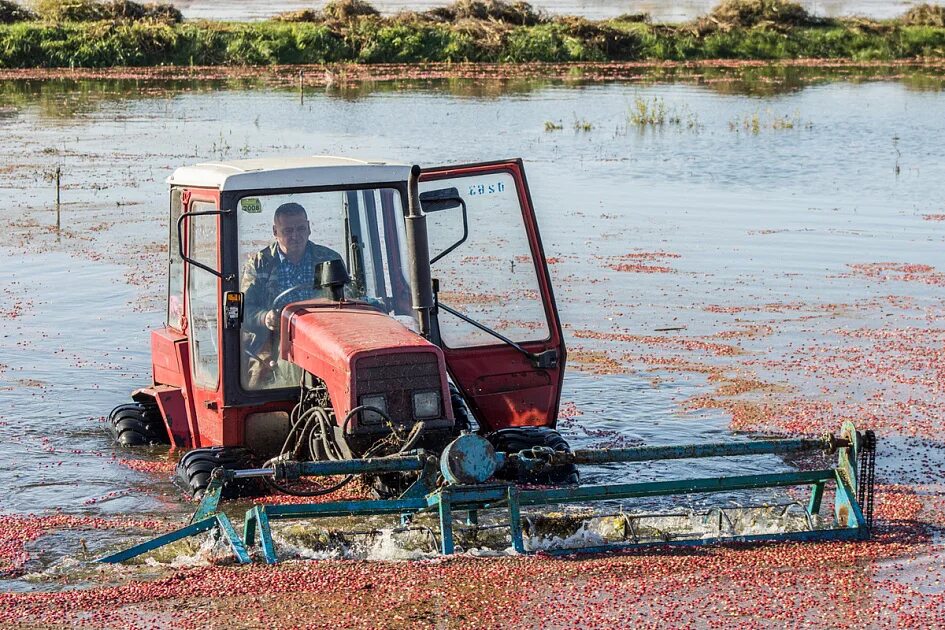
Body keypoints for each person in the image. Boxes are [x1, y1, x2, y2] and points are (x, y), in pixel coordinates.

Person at [240, 202, 344, 388]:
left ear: (309, 228)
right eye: (288, 231)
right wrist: (265, 317)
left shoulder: (329, 259)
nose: (295, 236)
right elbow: (241, 312)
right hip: (273, 339)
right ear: (275, 231)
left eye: (301, 229)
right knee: (255, 383)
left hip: (324, 336)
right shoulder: (259, 264)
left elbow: (348, 299)